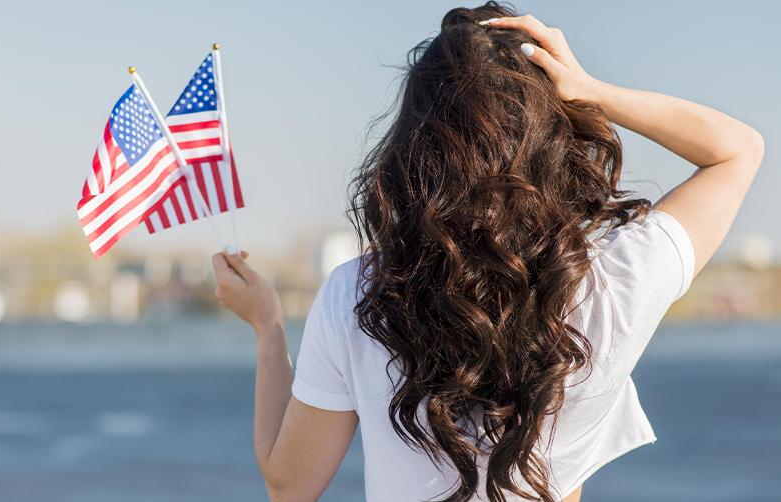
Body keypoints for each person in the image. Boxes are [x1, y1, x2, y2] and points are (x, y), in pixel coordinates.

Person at [210, 2, 765, 501]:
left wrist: (267, 325)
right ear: (552, 132)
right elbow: (737, 150)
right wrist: (591, 89)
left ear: (413, 145)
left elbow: (290, 484)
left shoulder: (358, 294)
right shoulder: (615, 276)